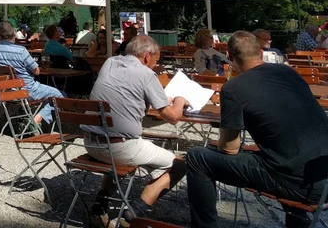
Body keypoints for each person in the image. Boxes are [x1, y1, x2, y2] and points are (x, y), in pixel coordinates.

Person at [186, 31, 328, 228]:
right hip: (322, 173)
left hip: (298, 184)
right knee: (283, 155)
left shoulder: (233, 88)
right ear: (261, 52)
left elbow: (229, 149)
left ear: (229, 57)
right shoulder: (288, 72)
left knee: (197, 157)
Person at [83, 35, 189, 226]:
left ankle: (100, 206)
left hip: (91, 142)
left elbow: (126, 98)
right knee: (180, 164)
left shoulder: (110, 63)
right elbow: (173, 118)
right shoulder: (146, 74)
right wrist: (180, 100)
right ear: (147, 56)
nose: (155, 65)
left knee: (117, 157)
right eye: (156, 60)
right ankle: (133, 214)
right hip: (119, 149)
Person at [0, 21, 63, 126]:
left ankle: (23, 119)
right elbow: (36, 71)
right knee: (59, 95)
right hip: (26, 89)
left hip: (4, 89)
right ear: (14, 33)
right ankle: (36, 120)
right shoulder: (21, 50)